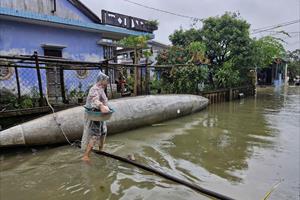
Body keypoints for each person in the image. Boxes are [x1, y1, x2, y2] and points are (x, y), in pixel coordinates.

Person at [82, 71, 110, 161]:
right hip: (95, 115)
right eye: (106, 80)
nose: (107, 82)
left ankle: (101, 150)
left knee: (103, 132)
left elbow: (104, 101)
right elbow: (95, 100)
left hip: (101, 115)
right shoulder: (94, 89)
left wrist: (106, 107)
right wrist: (101, 106)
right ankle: (86, 156)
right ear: (101, 80)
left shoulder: (101, 89)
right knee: (95, 135)